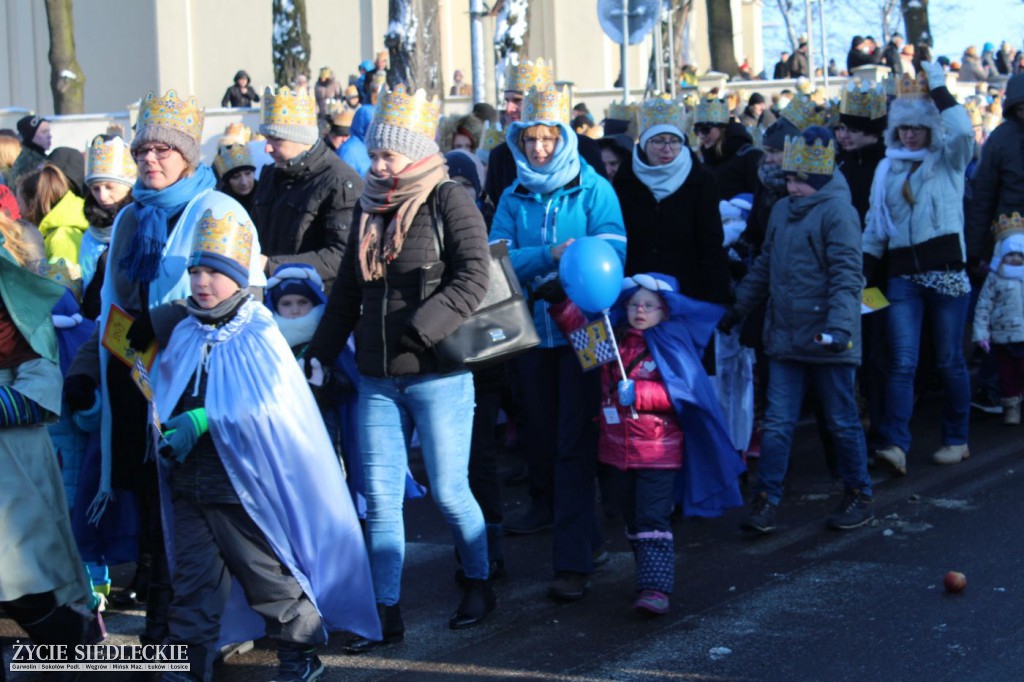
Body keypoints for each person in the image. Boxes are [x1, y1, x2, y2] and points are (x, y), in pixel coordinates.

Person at [64, 89, 269, 647]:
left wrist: (168, 316)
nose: (150, 159)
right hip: (134, 386)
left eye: (163, 150)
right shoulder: (130, 218)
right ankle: (164, 627)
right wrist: (87, 368)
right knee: (154, 515)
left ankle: (203, 632)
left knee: (199, 519)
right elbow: (112, 310)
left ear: (188, 156)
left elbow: (248, 299)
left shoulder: (219, 210)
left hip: (198, 394)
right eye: (143, 151)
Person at [305, 84, 494, 652]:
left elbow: (474, 276)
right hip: (377, 379)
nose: (377, 163)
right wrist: (319, 350)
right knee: (382, 500)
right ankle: (383, 611)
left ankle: (480, 581)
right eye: (375, 153)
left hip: (438, 374)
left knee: (450, 492)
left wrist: (422, 328)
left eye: (388, 154)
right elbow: (345, 295)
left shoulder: (448, 197)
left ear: (415, 151)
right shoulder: (368, 205)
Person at [150, 208, 378, 681]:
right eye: (195, 271)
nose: (202, 282)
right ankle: (185, 669)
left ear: (238, 277)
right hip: (190, 483)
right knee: (192, 584)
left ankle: (300, 654)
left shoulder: (258, 330)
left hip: (243, 487)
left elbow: (271, 407)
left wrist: (207, 418)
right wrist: (164, 432)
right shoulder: (187, 330)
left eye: (214, 271)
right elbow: (166, 390)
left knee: (267, 576)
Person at [489, 83, 626, 600]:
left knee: (576, 441)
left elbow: (610, 252)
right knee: (543, 442)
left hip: (589, 332)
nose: (540, 149)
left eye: (548, 139)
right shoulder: (511, 195)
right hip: (531, 335)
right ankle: (587, 538)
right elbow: (495, 256)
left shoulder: (593, 188)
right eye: (531, 140)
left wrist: (570, 269)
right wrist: (551, 254)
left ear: (564, 138)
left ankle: (572, 566)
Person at [546, 272, 741, 615]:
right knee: (633, 518)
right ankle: (649, 575)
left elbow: (684, 393)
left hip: (657, 452)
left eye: (649, 305)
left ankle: (655, 588)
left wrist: (640, 393)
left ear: (665, 311)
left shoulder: (674, 343)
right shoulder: (616, 339)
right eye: (635, 303)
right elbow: (583, 341)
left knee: (652, 518)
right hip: (617, 450)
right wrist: (561, 303)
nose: (640, 310)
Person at [720, 126, 873, 533]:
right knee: (778, 423)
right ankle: (766, 499)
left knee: (842, 421)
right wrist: (737, 308)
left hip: (827, 338)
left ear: (820, 180)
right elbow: (766, 265)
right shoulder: (784, 211)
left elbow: (846, 276)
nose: (792, 187)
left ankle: (859, 492)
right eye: (789, 178)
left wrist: (840, 328)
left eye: (800, 181)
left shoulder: (839, 213)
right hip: (785, 334)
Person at [863, 63, 974, 474]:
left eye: (918, 127)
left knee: (948, 361)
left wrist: (941, 89)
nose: (910, 134)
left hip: (946, 273)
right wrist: (863, 269)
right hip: (901, 277)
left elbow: (962, 131)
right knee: (902, 362)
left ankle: (957, 438)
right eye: (904, 127)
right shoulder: (885, 169)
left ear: (930, 128)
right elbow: (875, 229)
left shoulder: (949, 160)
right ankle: (895, 444)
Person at [0, 215, 104, 651]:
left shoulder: (20, 313)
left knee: (24, 575)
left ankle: (76, 650)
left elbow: (39, 395)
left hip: (13, 465)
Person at [613, 95, 731, 304]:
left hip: (687, 291)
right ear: (644, 142)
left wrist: (717, 297)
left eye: (675, 141)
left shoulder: (702, 181)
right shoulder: (625, 180)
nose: (667, 149)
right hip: (636, 291)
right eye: (658, 141)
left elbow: (711, 243)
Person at [251, 86, 364, 291]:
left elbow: (341, 256)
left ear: (300, 138)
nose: (267, 148)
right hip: (271, 297)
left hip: (313, 303)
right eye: (267, 139)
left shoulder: (340, 182)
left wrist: (271, 266)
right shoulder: (270, 175)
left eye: (276, 139)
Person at [484, 59, 607, 205]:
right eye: (507, 100)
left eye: (518, 100)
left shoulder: (584, 148)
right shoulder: (500, 156)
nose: (509, 108)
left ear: (538, 99)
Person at [81, 135, 137, 319]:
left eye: (109, 187)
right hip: (94, 316)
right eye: (95, 189)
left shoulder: (141, 224)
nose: (102, 196)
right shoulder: (91, 232)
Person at [973, 229, 1024, 424]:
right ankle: (1012, 409)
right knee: (1007, 374)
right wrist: (981, 334)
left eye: (1020, 254)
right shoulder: (994, 279)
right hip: (1002, 336)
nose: (1015, 259)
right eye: (1010, 254)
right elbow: (983, 306)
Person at [18, 164, 88, 268]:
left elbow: (61, 283)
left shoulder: (60, 239)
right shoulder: (56, 231)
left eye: (20, 203)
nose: (19, 211)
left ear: (32, 205)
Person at [694, 99, 763, 200]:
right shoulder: (704, 157)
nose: (701, 135)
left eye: (705, 129)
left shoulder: (749, 156)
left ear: (722, 129)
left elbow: (759, 198)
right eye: (696, 130)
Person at [8, 115, 50, 189]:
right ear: (30, 136)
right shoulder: (27, 163)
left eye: (48, 131)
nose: (49, 136)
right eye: (44, 132)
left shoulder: (40, 157)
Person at [213, 143, 258, 214]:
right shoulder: (220, 204)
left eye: (248, 173)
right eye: (236, 177)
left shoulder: (269, 195)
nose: (244, 182)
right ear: (227, 181)